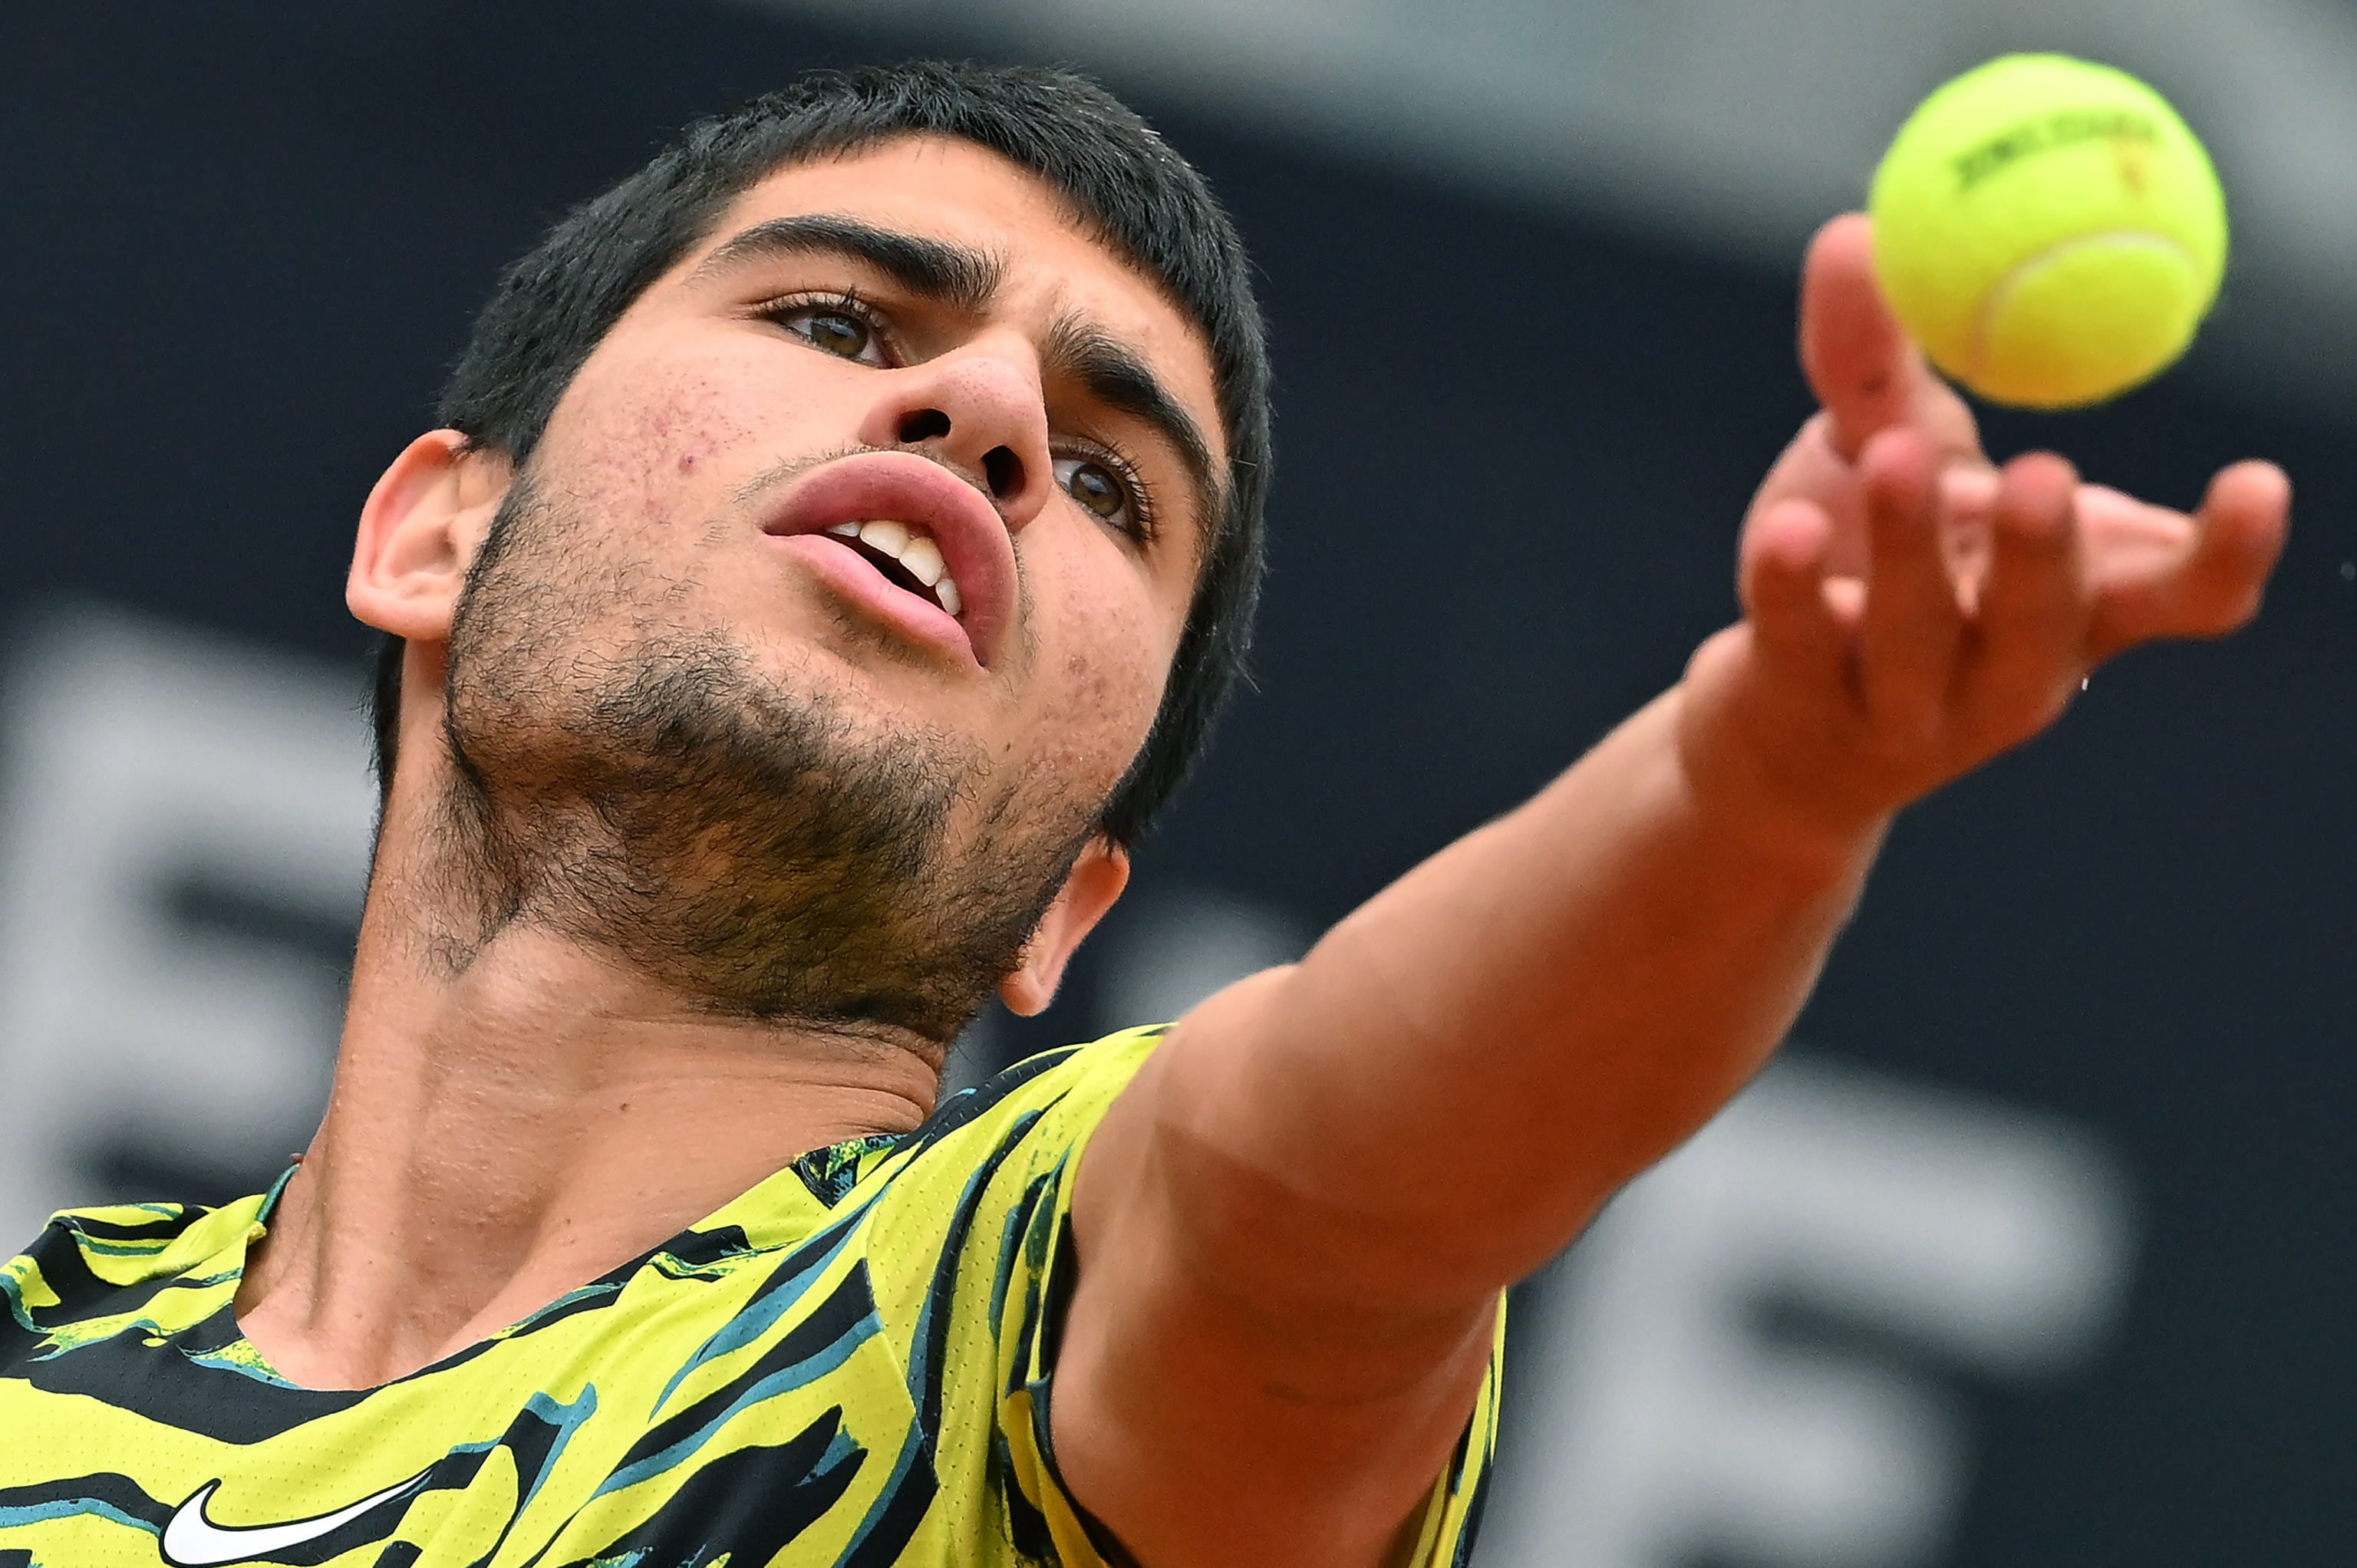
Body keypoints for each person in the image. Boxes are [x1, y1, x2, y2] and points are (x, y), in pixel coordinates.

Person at [0, 58, 2286, 1568]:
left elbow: (1333, 1195)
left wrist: (1770, 776)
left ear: (1066, 914)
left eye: (1112, 481)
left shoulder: (999, 1334)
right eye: (834, 315)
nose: (987, 401)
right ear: (434, 537)